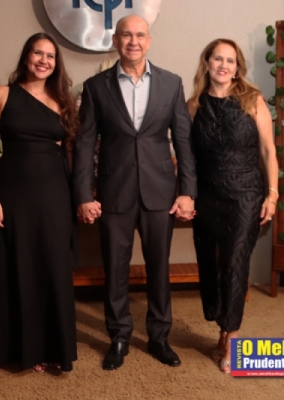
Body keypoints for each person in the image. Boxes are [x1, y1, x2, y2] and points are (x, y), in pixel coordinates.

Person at [73, 15, 197, 371]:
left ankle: (159, 336)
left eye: (140, 35)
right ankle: (119, 336)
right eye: (126, 35)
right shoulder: (95, 87)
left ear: (149, 40)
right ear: (115, 41)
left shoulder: (171, 83)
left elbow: (183, 142)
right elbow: (84, 145)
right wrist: (83, 194)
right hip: (114, 191)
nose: (133, 41)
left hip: (161, 191)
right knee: (115, 268)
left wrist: (187, 191)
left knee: (159, 268)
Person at [0, 32, 79, 373]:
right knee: (19, 267)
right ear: (26, 57)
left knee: (53, 268)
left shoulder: (63, 102)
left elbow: (69, 154)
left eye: (50, 56)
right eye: (38, 53)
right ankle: (25, 350)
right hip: (13, 193)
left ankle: (55, 349)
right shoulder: (2, 94)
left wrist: (78, 198)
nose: (43, 61)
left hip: (54, 194)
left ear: (56, 64)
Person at [187, 38, 279, 373]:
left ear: (237, 67)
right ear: (207, 63)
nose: (224, 65)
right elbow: (188, 157)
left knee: (235, 263)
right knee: (212, 265)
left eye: (230, 60)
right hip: (208, 196)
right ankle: (222, 331)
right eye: (218, 59)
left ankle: (233, 337)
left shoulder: (253, 101)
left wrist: (272, 195)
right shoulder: (193, 106)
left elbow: (268, 151)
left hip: (246, 195)